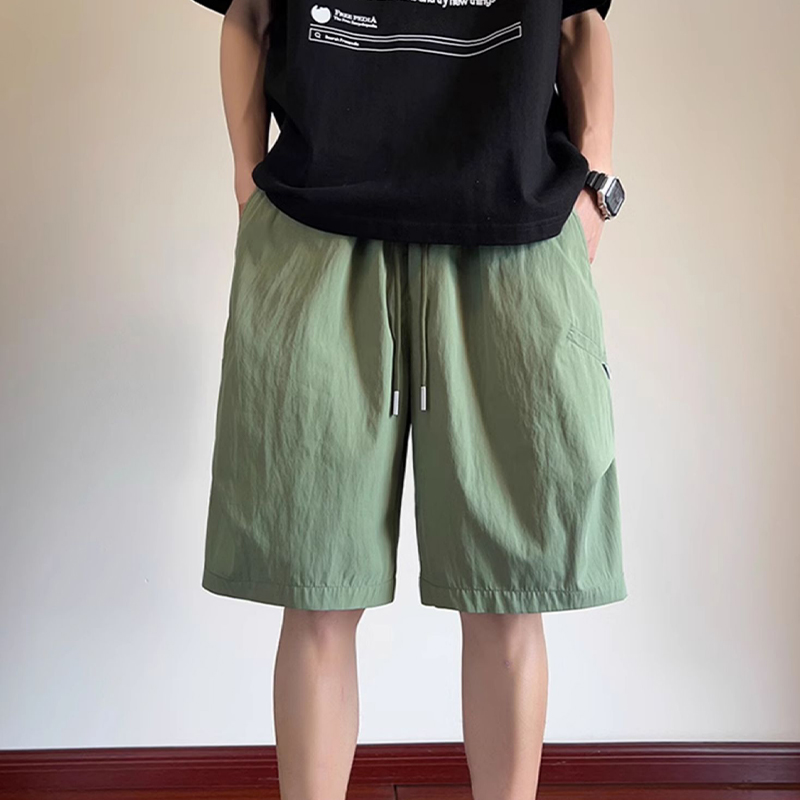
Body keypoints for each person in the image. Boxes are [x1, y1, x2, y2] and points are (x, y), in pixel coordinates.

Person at [191, 0, 628, 797]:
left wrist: (596, 189)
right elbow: (250, 14)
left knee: (510, 590)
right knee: (315, 588)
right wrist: (248, 183)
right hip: (317, 224)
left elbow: (579, 22)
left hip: (514, 229)